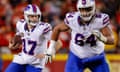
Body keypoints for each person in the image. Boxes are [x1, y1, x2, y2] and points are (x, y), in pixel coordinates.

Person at [46, 0, 114, 72]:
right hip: (76, 57)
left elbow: (112, 40)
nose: (85, 13)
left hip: (97, 57)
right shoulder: (72, 19)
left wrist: (102, 38)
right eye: (82, 10)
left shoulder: (100, 20)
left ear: (94, 8)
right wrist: (51, 47)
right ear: (78, 9)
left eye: (88, 9)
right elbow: (57, 29)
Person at [5, 4, 52, 72]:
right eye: (32, 16)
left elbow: (58, 42)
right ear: (26, 16)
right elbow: (20, 35)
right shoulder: (20, 24)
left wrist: (49, 53)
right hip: (22, 59)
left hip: (35, 63)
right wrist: (13, 43)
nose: (35, 18)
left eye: (36, 16)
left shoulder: (43, 28)